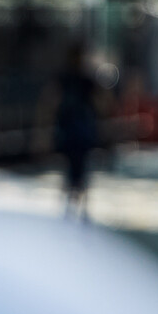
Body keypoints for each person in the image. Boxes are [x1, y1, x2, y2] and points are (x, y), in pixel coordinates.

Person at [51, 42, 100, 221]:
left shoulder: (84, 80)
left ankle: (76, 202)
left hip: (79, 131)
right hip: (74, 131)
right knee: (74, 168)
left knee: (78, 167)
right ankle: (74, 202)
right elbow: (51, 101)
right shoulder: (70, 79)